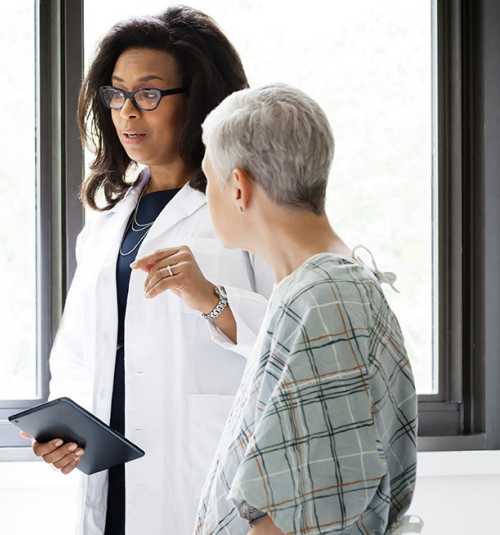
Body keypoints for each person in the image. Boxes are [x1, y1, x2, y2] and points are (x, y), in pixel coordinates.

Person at [26, 7, 273, 534]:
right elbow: (77, 349)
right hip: (111, 475)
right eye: (116, 94)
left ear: (199, 100)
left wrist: (213, 298)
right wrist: (62, 431)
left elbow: (294, 338)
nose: (127, 112)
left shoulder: (247, 201)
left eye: (149, 94)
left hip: (203, 470)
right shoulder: (108, 218)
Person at [190, 84, 417, 534]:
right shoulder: (316, 289)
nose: (205, 195)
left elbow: (289, 514)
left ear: (239, 187)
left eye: (207, 178)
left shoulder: (326, 295)